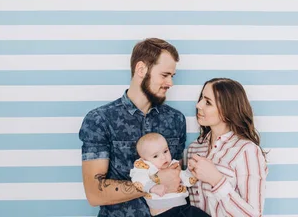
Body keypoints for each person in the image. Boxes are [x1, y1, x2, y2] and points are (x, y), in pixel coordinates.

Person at [79, 38, 187, 217]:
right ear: (141, 69)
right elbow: (94, 193)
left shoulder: (176, 120)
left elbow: (175, 182)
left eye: (172, 76)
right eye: (164, 75)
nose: (170, 83)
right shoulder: (100, 120)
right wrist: (155, 180)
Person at [187, 78, 268, 217]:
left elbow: (253, 215)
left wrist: (216, 180)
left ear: (226, 110)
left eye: (208, 102)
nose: (198, 105)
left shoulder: (247, 151)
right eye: (201, 98)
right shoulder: (194, 148)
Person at [130, 133, 209, 217]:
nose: (163, 157)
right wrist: (152, 187)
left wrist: (191, 171)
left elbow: (185, 180)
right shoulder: (145, 167)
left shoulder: (173, 165)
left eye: (165, 151)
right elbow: (138, 179)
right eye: (156, 156)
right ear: (144, 159)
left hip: (183, 207)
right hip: (163, 211)